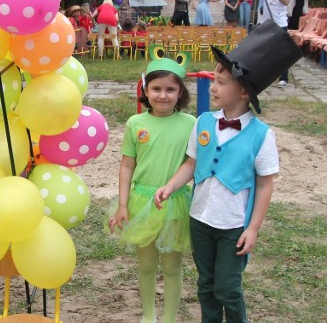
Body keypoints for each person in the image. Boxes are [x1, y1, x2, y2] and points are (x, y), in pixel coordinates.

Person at [154, 21, 303, 323]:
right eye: (214, 80)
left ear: (244, 92)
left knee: (227, 288)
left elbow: (264, 185)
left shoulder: (262, 136)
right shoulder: (204, 122)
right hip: (200, 219)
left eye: (221, 82)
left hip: (233, 225)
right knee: (206, 285)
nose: (213, 87)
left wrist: (253, 228)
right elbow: (192, 164)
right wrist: (170, 186)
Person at [108, 48, 195, 323]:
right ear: (145, 90)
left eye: (170, 89)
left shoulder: (191, 124)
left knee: (172, 266)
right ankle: (149, 316)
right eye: (156, 88)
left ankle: (168, 318)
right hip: (141, 202)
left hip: (175, 202)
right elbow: (127, 165)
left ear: (180, 92)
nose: (163, 95)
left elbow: (192, 163)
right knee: (146, 264)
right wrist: (123, 204)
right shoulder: (136, 123)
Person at [257, 0, 292, 86]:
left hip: (279, 22)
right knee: (265, 50)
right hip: (265, 22)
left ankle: (283, 77)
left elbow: (286, 1)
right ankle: (265, 75)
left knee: (281, 51)